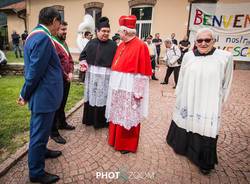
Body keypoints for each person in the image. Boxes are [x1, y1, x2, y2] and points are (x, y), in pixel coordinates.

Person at [166, 28, 233, 175]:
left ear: (214, 41)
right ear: (195, 42)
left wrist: (221, 101)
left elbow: (226, 83)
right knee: (186, 122)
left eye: (207, 40)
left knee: (205, 128)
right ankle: (183, 148)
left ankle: (204, 161)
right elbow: (182, 77)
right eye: (199, 40)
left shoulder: (225, 57)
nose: (203, 43)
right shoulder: (189, 56)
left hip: (208, 101)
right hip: (188, 98)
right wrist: (179, 95)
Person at [17, 7, 63, 183]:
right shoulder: (43, 37)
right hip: (44, 96)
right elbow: (35, 71)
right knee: (38, 134)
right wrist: (24, 93)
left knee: (41, 131)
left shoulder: (36, 34)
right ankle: (36, 172)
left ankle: (42, 152)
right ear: (54, 21)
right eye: (59, 23)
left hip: (45, 95)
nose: (59, 27)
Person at [105, 15, 152, 154]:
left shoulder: (141, 45)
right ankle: (115, 138)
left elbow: (143, 72)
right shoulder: (121, 44)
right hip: (118, 87)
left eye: (120, 31)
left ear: (125, 31)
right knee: (117, 112)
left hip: (130, 88)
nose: (118, 34)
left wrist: (138, 91)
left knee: (128, 114)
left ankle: (126, 144)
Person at [79, 17, 117, 129]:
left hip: (106, 77)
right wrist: (84, 64)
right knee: (92, 95)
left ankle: (102, 121)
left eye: (107, 31)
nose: (106, 33)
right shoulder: (91, 43)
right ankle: (90, 119)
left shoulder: (113, 45)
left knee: (103, 97)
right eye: (103, 31)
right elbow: (83, 56)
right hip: (92, 76)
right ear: (97, 31)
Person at [50, 21, 75, 145]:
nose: (65, 32)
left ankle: (62, 123)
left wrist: (70, 71)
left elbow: (69, 59)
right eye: (63, 30)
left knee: (63, 103)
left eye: (66, 29)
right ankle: (53, 132)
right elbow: (56, 64)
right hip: (57, 80)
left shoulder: (64, 42)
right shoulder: (52, 42)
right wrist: (66, 75)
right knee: (56, 105)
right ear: (56, 29)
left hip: (66, 79)